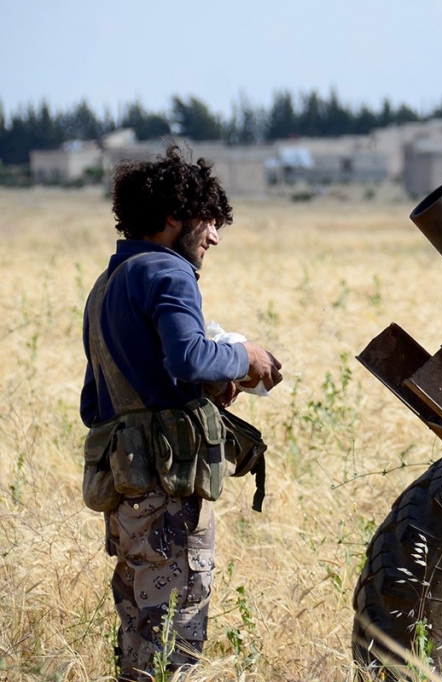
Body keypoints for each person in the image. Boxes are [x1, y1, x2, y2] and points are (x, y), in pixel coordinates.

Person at [79, 144, 283, 680]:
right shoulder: (169, 273)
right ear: (174, 217)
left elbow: (97, 401)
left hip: (126, 495)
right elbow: (189, 355)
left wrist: (198, 394)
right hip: (167, 498)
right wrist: (247, 357)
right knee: (174, 636)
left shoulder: (107, 285)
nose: (214, 237)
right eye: (208, 222)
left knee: (138, 632)